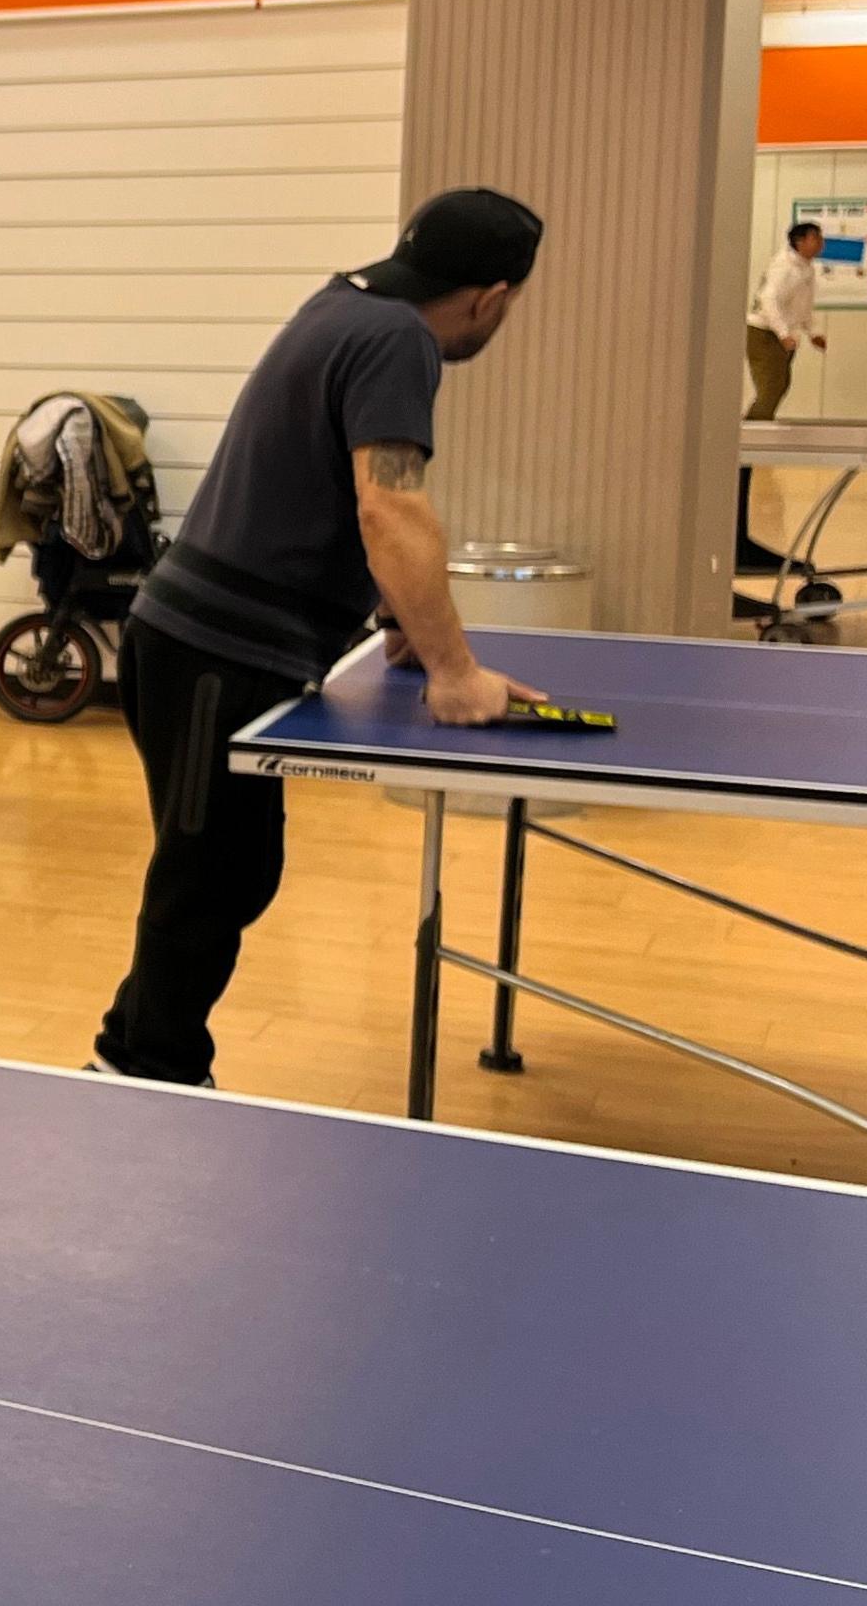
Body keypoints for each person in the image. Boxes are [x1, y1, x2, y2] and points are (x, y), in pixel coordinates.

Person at [90, 189, 549, 1087]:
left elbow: (322, 485)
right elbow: (389, 502)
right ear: (493, 297)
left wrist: (405, 627)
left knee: (232, 872)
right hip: (215, 653)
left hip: (193, 644)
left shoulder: (342, 305)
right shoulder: (402, 342)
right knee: (205, 882)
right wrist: (454, 671)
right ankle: (139, 1070)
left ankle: (150, 1056)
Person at [747, 218, 827, 420]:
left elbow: (802, 306)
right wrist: (783, 333)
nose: (820, 242)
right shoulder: (784, 267)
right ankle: (752, 430)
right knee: (771, 383)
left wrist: (813, 332)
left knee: (781, 383)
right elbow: (768, 301)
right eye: (815, 238)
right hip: (763, 332)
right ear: (800, 241)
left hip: (781, 333)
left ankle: (759, 423)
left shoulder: (805, 268)